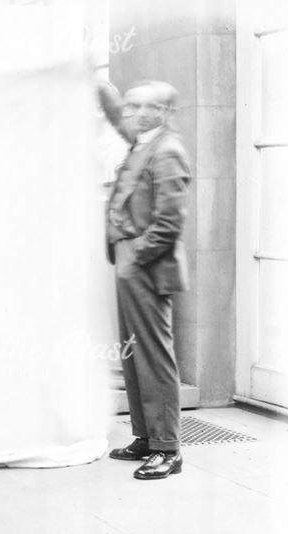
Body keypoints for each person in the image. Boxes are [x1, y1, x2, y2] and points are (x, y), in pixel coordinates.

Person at [98, 79, 190, 480]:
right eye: (130, 106)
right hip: (129, 260)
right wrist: (96, 83)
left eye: (141, 107)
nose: (131, 114)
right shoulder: (144, 140)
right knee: (134, 355)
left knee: (153, 357)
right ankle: (146, 438)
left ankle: (168, 449)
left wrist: (135, 259)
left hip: (146, 265)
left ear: (164, 112)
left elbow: (169, 224)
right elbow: (116, 114)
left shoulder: (167, 150)